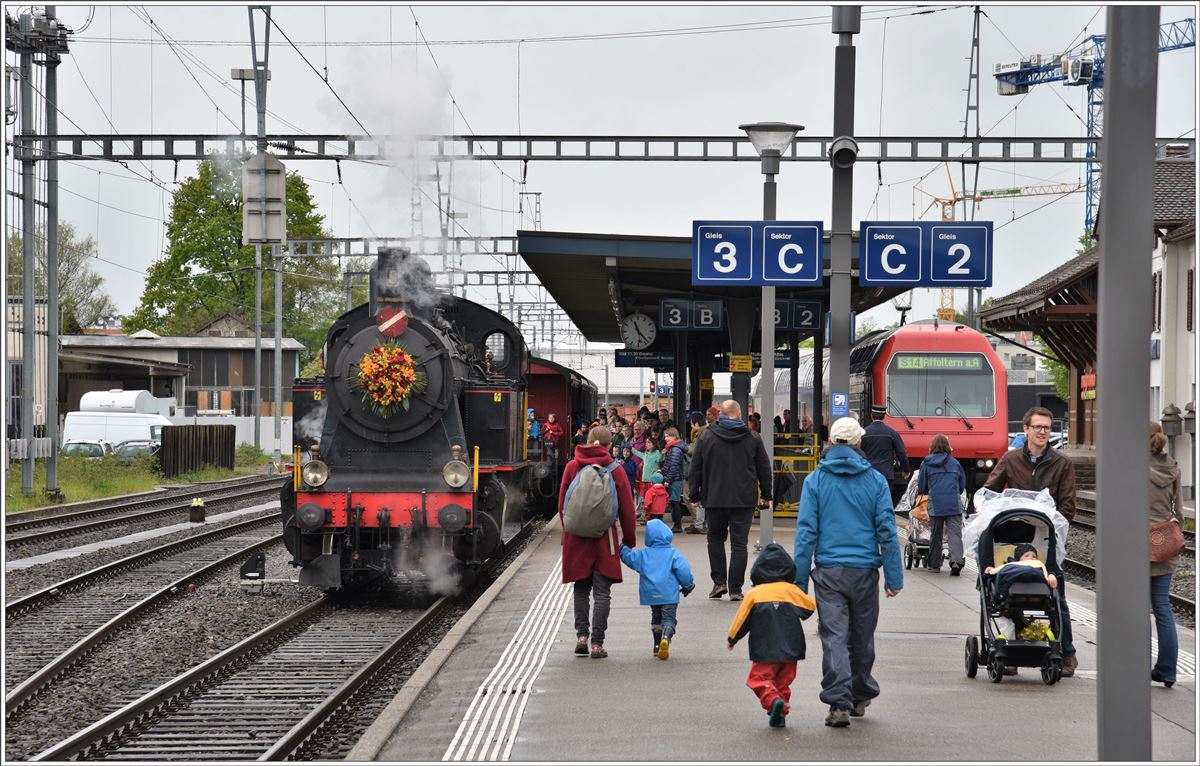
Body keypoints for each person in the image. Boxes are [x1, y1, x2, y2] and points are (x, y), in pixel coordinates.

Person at [792, 417, 903, 728]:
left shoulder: (815, 480)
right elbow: (887, 530)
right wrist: (894, 577)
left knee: (835, 636)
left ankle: (839, 702)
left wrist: (800, 581)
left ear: (830, 442)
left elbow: (806, 534)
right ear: (859, 444)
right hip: (865, 571)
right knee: (862, 636)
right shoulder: (876, 482)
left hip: (829, 572)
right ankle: (860, 692)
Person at [984, 405, 1077, 677]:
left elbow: (1068, 505)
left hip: (1047, 538)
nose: (1043, 432)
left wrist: (1050, 521)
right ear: (1026, 429)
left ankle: (1067, 652)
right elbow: (990, 490)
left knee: (1055, 595)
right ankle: (1009, 646)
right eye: (1037, 427)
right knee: (1006, 594)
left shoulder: (1062, 463)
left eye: (1047, 428)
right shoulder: (1011, 460)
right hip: (1015, 538)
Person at [558, 425, 637, 659]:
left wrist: (570, 529)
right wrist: (629, 540)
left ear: (587, 441)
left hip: (576, 538)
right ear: (610, 445)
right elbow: (627, 510)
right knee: (602, 593)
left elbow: (562, 503)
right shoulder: (615, 470)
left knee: (581, 588)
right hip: (605, 539)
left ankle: (581, 636)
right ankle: (597, 644)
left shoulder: (573, 466)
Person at [688, 399, 773, 602]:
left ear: (720, 415)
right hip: (743, 499)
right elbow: (764, 468)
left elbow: (695, 467)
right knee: (739, 544)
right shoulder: (753, 438)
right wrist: (767, 495)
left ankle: (719, 583)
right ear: (740, 414)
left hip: (715, 498)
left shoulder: (706, 436)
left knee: (715, 539)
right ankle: (735, 589)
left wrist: (694, 495)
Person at [727, 543, 816, 728]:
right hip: (792, 649)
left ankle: (773, 700)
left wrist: (732, 638)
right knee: (783, 683)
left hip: (764, 648)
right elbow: (809, 608)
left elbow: (741, 619)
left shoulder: (755, 594)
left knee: (758, 679)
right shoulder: (791, 591)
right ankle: (780, 713)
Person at [620, 519, 696, 660]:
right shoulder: (673, 554)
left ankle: (656, 646)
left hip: (651, 594)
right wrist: (688, 586)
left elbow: (630, 558)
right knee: (668, 619)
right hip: (669, 594)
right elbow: (684, 571)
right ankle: (666, 638)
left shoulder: (643, 554)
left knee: (656, 618)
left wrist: (623, 548)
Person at [1149, 421, 1184, 687]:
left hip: (1136, 544)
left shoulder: (1133, 466)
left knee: (1136, 608)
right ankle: (1167, 670)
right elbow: (1180, 513)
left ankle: (1135, 665)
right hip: (1164, 545)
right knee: (1162, 606)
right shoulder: (1173, 466)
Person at [917, 434, 967, 575]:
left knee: (936, 534)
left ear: (932, 447)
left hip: (936, 504)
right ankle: (956, 561)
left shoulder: (926, 463)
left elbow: (922, 486)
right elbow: (962, 484)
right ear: (947, 446)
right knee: (955, 534)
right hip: (953, 503)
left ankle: (935, 564)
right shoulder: (955, 463)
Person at [860, 405, 909, 503]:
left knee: (869, 500)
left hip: (868, 473)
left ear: (871, 415)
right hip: (886, 474)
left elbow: (858, 452)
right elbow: (901, 452)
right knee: (884, 502)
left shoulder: (864, 432)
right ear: (884, 416)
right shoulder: (891, 433)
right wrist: (906, 469)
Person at [661, 427, 689, 533]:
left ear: (674, 436)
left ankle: (677, 526)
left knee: (675, 502)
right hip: (675, 478)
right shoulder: (673, 448)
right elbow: (669, 465)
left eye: (668, 436)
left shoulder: (675, 449)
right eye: (665, 436)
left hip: (675, 479)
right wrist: (662, 470)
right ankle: (677, 525)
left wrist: (668, 479)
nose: (666, 438)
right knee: (674, 502)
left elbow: (674, 466)